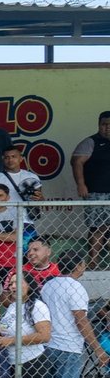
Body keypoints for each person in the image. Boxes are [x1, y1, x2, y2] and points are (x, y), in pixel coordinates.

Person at [39, 252, 104, 378]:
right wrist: (98, 349)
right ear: (79, 266)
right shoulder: (76, 287)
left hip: (48, 345)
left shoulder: (49, 285)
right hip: (68, 347)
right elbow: (81, 320)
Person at [70, 111, 110, 268]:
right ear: (99, 125)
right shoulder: (91, 142)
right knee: (97, 227)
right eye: (104, 125)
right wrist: (81, 184)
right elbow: (77, 162)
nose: (107, 128)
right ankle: (93, 261)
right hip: (97, 193)